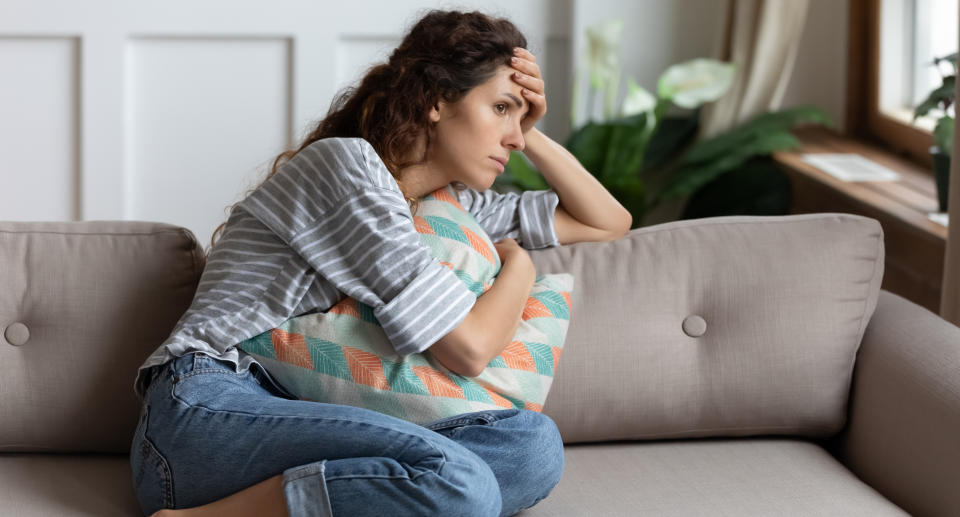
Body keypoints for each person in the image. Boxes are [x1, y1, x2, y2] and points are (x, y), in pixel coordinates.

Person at [130, 9, 632, 517]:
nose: (516, 138)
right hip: (207, 408)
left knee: (531, 447)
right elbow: (469, 349)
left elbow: (607, 222)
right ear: (437, 101)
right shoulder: (347, 168)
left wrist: (531, 129)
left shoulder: (447, 205)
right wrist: (520, 266)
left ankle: (349, 497)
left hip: (300, 410)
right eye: (500, 108)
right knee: (461, 484)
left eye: (518, 118)